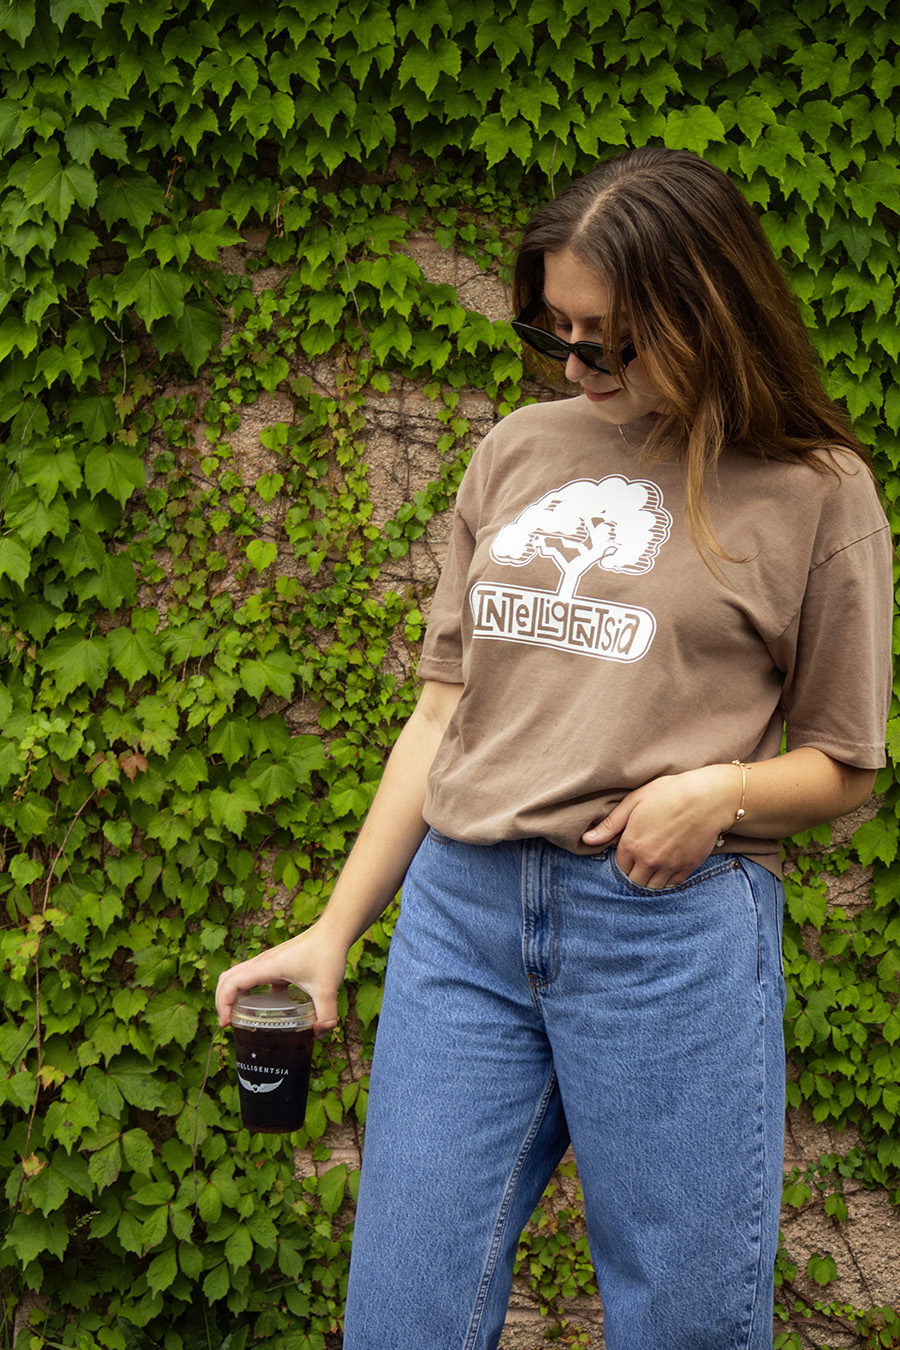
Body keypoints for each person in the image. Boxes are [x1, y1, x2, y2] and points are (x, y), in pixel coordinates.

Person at [216, 147, 893, 1350]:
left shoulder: (814, 492)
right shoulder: (519, 454)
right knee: (403, 1319)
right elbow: (442, 713)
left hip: (664, 934)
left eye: (611, 340)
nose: (576, 366)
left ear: (707, 315)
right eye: (554, 333)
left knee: (682, 1324)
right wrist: (333, 933)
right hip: (460, 924)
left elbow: (845, 762)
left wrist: (721, 793)